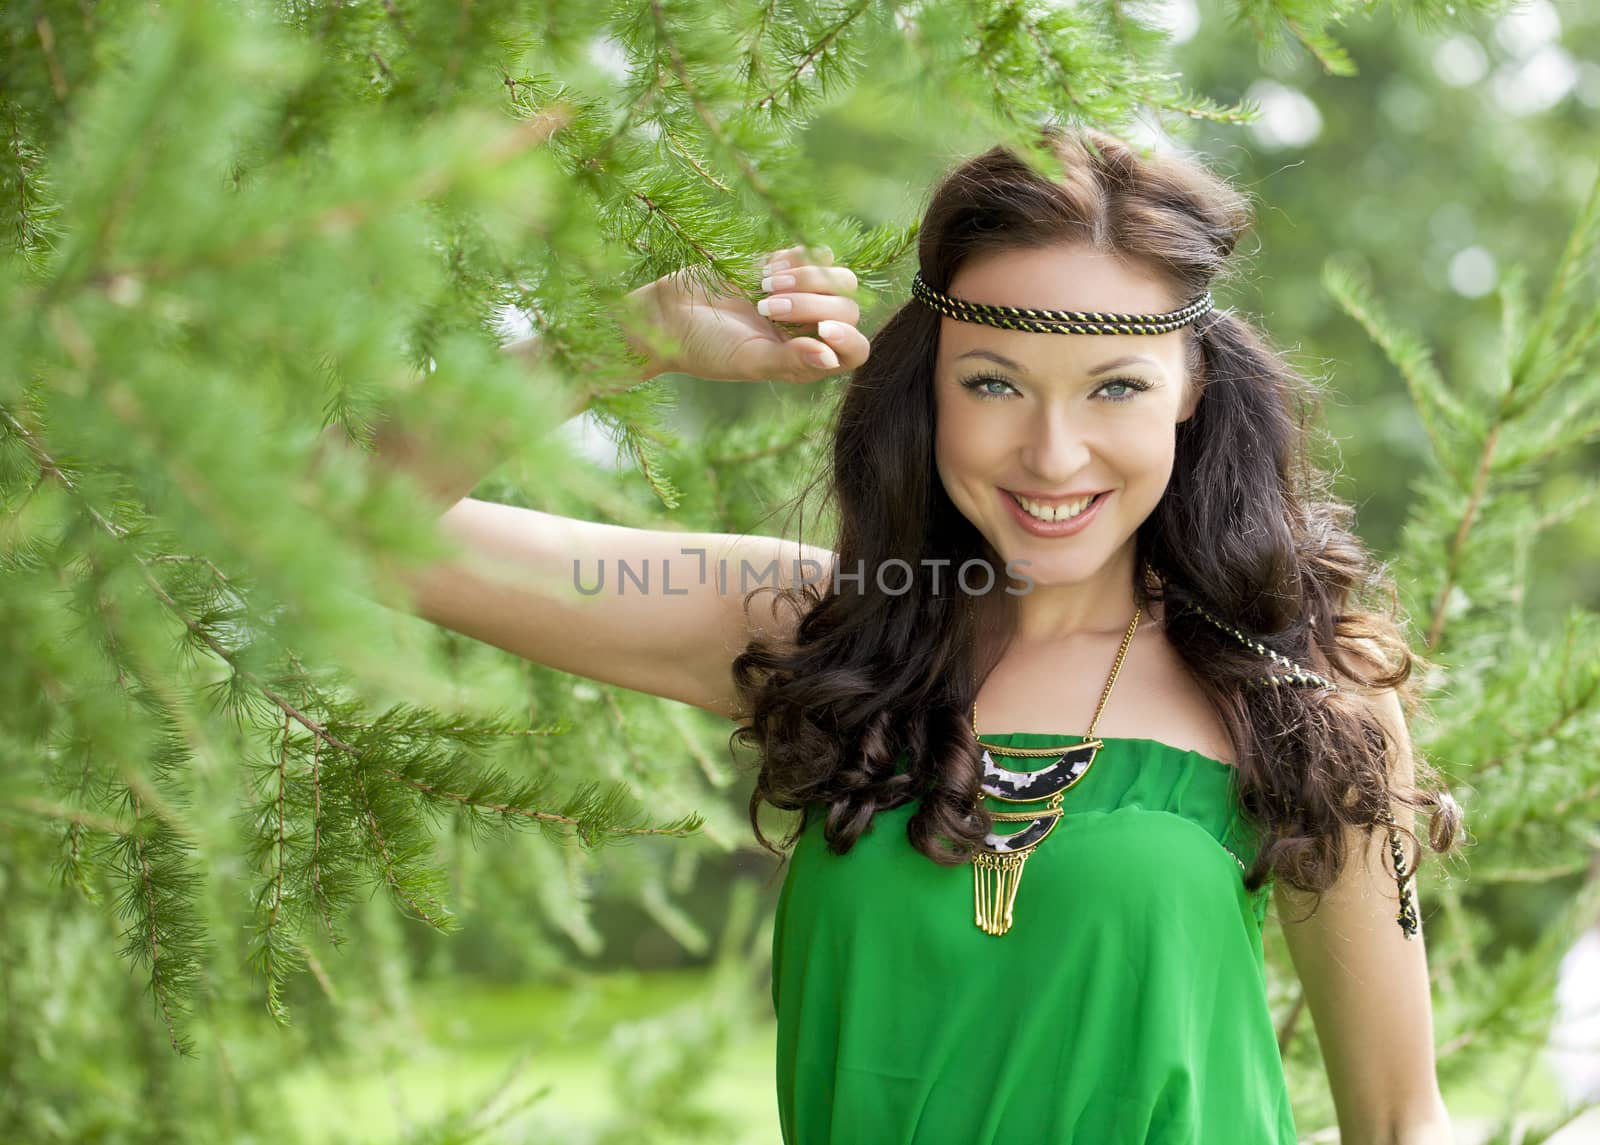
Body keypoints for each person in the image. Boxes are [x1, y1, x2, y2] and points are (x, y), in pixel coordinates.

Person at [352, 125, 1464, 1144]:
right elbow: (352, 522)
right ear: (928, 389)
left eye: (1115, 388)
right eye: (994, 383)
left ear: (1190, 390)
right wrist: (614, 341)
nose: (1054, 454)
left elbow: (1399, 1120)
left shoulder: (1299, 699)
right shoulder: (822, 632)